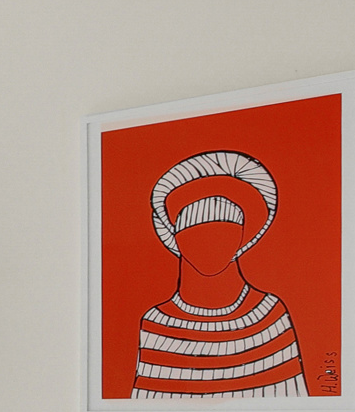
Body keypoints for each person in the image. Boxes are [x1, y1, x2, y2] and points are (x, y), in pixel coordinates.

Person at [130, 150, 305, 399]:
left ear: (242, 237)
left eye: (224, 233)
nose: (210, 247)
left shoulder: (269, 313)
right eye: (195, 235)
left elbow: (293, 401)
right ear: (177, 239)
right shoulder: (156, 324)